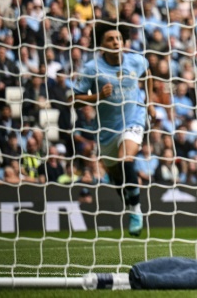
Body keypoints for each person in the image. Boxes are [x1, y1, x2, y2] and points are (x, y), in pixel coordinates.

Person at [72, 23, 153, 236]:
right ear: (101, 44)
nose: (116, 42)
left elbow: (148, 73)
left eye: (118, 38)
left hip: (134, 118)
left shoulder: (135, 60)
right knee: (117, 177)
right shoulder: (92, 68)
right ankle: (129, 202)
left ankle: (135, 210)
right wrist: (97, 96)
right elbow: (74, 100)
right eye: (110, 39)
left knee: (126, 157)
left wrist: (150, 102)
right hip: (106, 130)